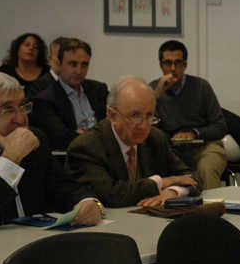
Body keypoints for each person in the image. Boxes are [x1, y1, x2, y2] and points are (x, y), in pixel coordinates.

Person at [66, 76, 200, 207]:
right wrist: (160, 182)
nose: (144, 126)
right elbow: (111, 195)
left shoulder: (155, 138)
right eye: (135, 116)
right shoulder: (87, 147)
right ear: (112, 115)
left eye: (149, 116)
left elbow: (192, 178)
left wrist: (173, 192)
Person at [0, 73, 102, 226]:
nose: (21, 119)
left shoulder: (35, 140)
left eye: (23, 107)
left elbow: (66, 187)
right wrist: (10, 159)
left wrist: (89, 202)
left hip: (35, 238)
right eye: (8, 109)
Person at [149, 40, 228, 189]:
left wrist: (194, 132)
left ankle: (212, 204)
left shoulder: (201, 86)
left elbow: (220, 126)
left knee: (206, 169)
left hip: (205, 146)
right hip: (171, 150)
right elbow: (145, 126)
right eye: (168, 63)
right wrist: (157, 94)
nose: (173, 68)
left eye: (178, 63)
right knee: (152, 166)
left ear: (185, 65)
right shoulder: (154, 89)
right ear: (161, 65)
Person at [29, 39, 108, 150]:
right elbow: (62, 139)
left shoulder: (99, 90)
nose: (79, 71)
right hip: (70, 156)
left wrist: (80, 133)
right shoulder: (45, 100)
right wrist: (96, 135)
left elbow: (112, 126)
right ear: (59, 64)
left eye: (84, 65)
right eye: (73, 64)